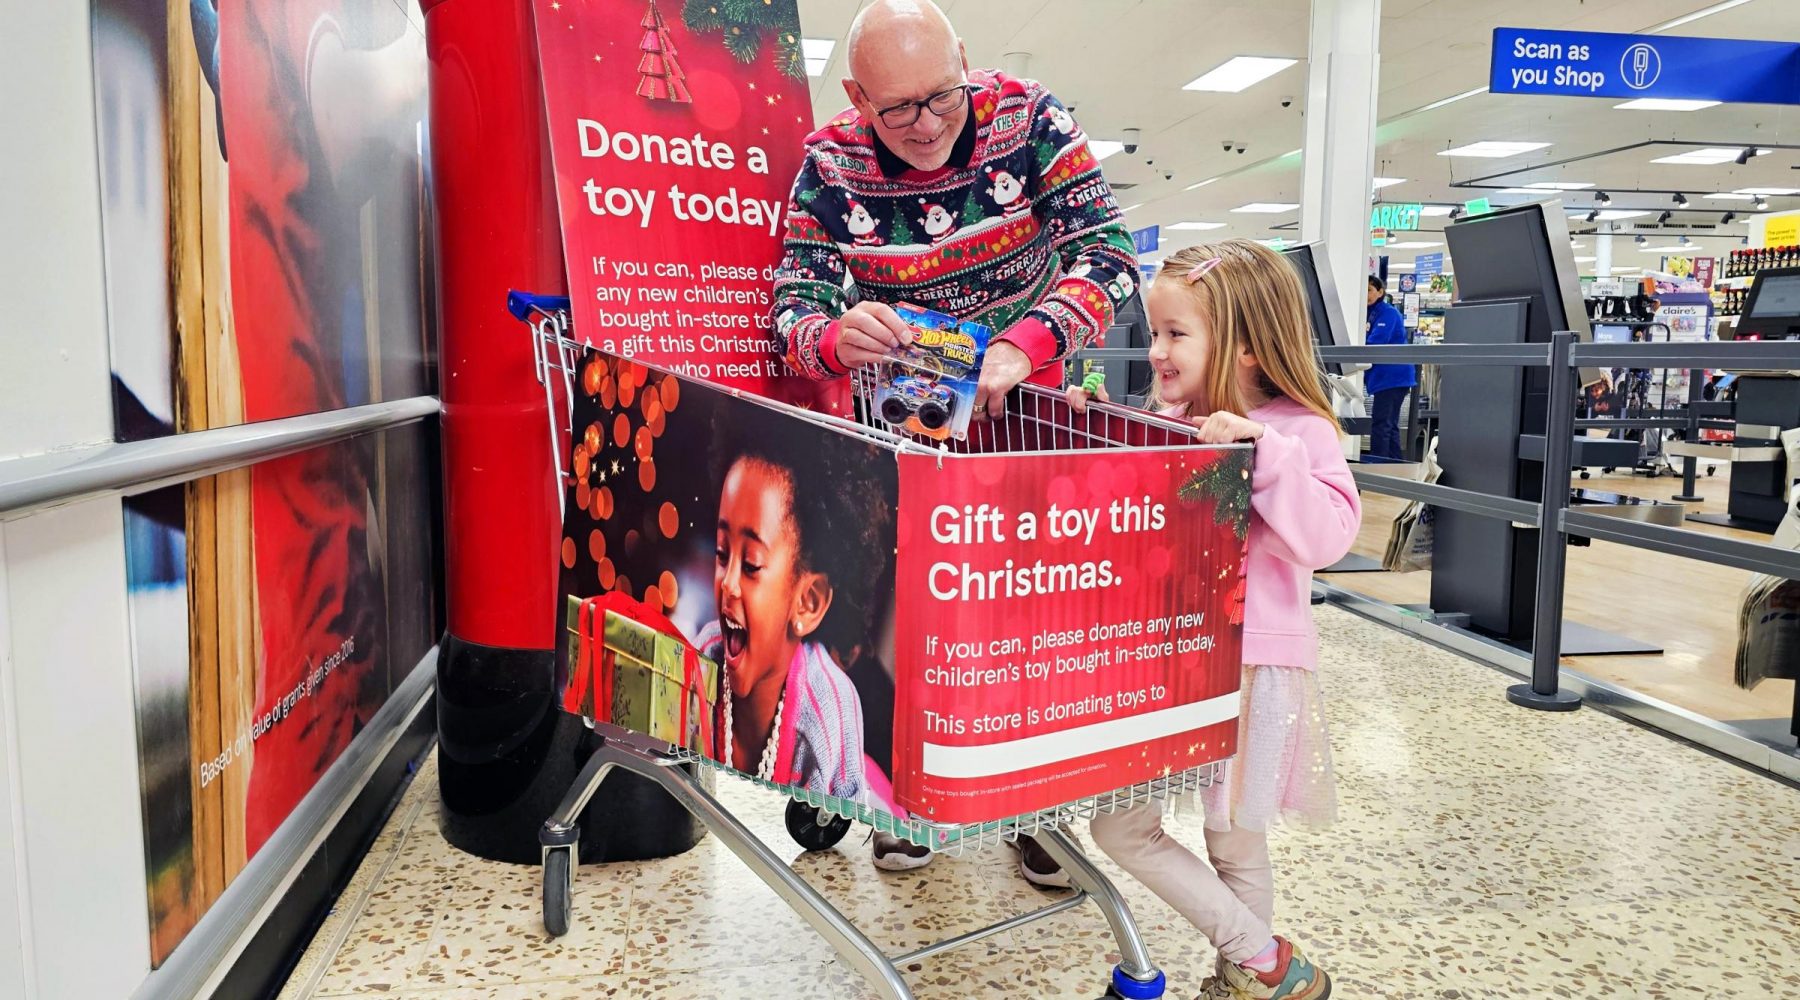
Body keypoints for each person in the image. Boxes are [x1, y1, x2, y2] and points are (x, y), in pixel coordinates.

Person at [769, 0, 1137, 878]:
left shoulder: (1030, 118)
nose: (928, 124)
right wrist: (830, 335)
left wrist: (1025, 343)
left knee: (1027, 620)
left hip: (1027, 419)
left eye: (944, 95)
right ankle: (903, 801)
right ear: (857, 97)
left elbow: (1110, 256)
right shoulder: (829, 164)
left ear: (966, 63)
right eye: (897, 108)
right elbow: (791, 305)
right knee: (903, 620)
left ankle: (1031, 804)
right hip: (904, 430)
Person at [1068, 240, 1360, 999]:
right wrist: (1092, 429)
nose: (1156, 352)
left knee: (1236, 839)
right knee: (1119, 828)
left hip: (1252, 664)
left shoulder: (1299, 432)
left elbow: (1326, 539)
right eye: (1155, 332)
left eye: (1175, 334)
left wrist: (1265, 454)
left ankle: (1246, 976)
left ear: (1251, 349)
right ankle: (1263, 956)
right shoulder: (1167, 418)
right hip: (1164, 661)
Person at [700, 420, 902, 815]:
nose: (730, 586)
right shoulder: (704, 654)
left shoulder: (827, 712)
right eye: (723, 555)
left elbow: (841, 846)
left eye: (753, 564)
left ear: (807, 603)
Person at [1363, 275, 1414, 461]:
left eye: (1369, 290)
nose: (1366, 294)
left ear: (1380, 292)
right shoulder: (1367, 313)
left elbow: (1377, 342)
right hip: (1383, 378)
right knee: (1389, 426)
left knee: (1382, 425)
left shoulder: (1388, 313)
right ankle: (1395, 467)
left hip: (1393, 378)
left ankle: (1380, 470)